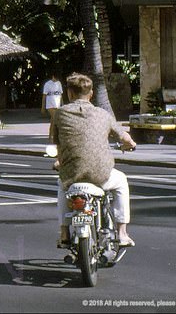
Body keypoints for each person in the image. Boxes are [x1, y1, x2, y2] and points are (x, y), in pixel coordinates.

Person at [52, 73, 137, 248]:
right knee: (121, 181)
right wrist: (130, 144)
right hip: (101, 174)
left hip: (72, 174)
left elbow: (58, 143)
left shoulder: (60, 114)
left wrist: (60, 161)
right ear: (91, 94)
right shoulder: (103, 114)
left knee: (61, 185)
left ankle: (64, 232)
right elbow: (125, 138)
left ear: (69, 94)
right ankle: (122, 233)